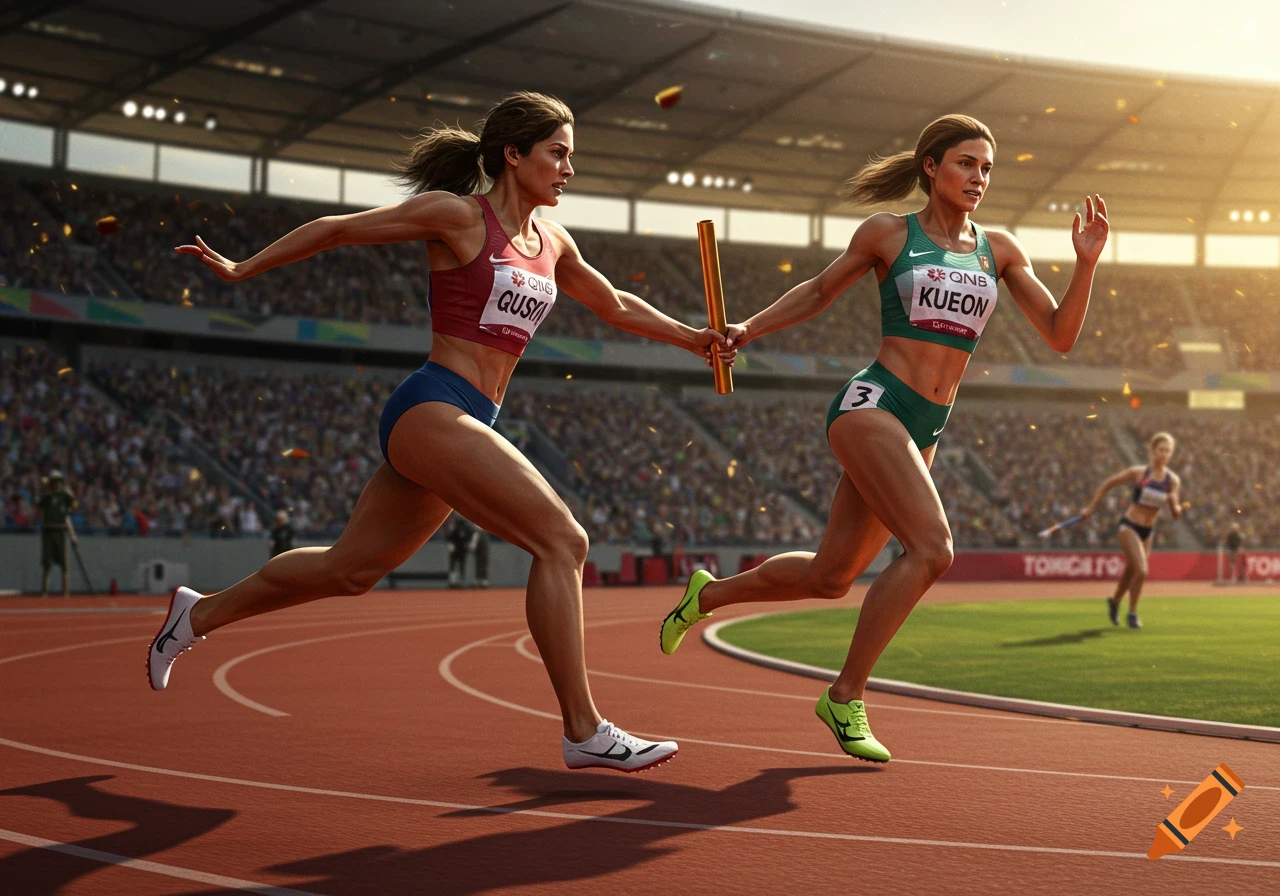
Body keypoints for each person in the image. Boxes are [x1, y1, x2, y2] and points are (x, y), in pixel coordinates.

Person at [149, 91, 734, 773]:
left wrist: (693, 338)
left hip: (473, 417)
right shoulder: (458, 217)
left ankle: (196, 616)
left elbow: (613, 303)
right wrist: (244, 267)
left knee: (351, 569)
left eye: (571, 156)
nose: (570, 169)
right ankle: (583, 729)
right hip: (432, 406)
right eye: (559, 153)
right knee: (562, 539)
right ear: (513, 155)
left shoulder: (553, 242)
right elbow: (340, 227)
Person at [659, 115, 1109, 763]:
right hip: (873, 404)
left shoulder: (1001, 249)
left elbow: (1061, 336)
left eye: (987, 168)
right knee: (933, 549)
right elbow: (817, 291)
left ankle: (708, 594)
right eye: (965, 164)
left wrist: (1086, 265)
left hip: (926, 427)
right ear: (931, 167)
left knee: (830, 576)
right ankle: (845, 695)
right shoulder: (888, 234)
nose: (978, 177)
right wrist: (747, 331)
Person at [1081, 432, 1182, 628]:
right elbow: (1108, 484)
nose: (1164, 454)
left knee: (1132, 572)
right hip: (1129, 525)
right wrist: (1090, 508)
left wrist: (1173, 504)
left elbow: (1176, 514)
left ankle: (1115, 601)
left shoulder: (1172, 480)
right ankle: (1133, 613)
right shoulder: (1139, 473)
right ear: (1153, 451)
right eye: (1161, 449)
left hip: (1148, 531)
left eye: (1168, 451)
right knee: (1142, 570)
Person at [37, 470, 76, 598]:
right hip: (48, 531)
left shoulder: (64, 496)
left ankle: (65, 591)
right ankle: (44, 591)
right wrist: (43, 489)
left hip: (60, 531)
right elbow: (38, 506)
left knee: (64, 564)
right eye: (54, 482)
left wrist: (71, 494)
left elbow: (74, 506)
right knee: (47, 564)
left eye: (58, 481)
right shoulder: (47, 497)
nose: (56, 484)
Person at [446, 514, 473, 588]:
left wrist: (468, 544)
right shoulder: (454, 525)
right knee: (453, 565)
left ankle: (461, 582)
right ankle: (452, 582)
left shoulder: (465, 526)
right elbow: (450, 535)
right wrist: (451, 543)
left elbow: (469, 535)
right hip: (455, 547)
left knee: (462, 566)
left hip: (462, 548)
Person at [471, 524, 490, 588]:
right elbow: (473, 545)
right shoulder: (475, 535)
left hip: (483, 552)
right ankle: (478, 580)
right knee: (478, 566)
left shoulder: (483, 536)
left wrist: (484, 551)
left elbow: (485, 545)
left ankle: (484, 581)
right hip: (477, 553)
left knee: (483, 566)